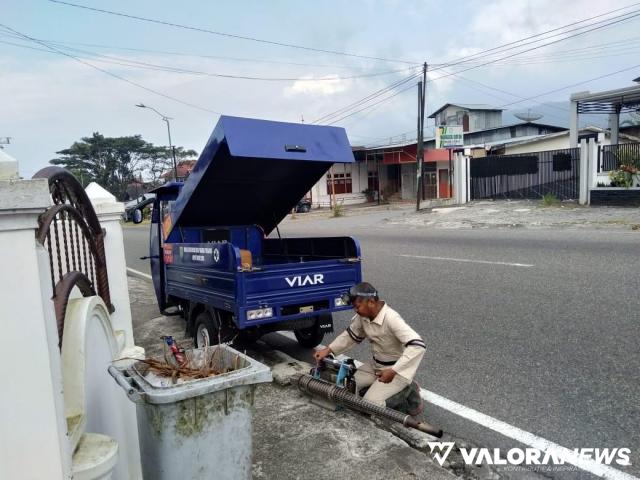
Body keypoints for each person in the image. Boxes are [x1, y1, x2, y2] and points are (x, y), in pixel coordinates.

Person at [314, 282, 426, 408]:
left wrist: (393, 371)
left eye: (357, 307)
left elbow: (418, 345)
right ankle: (377, 390)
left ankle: (407, 392)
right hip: (375, 366)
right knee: (347, 386)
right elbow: (350, 336)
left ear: (371, 302)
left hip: (397, 371)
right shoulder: (364, 316)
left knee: (370, 404)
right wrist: (328, 350)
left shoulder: (392, 318)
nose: (355, 310)